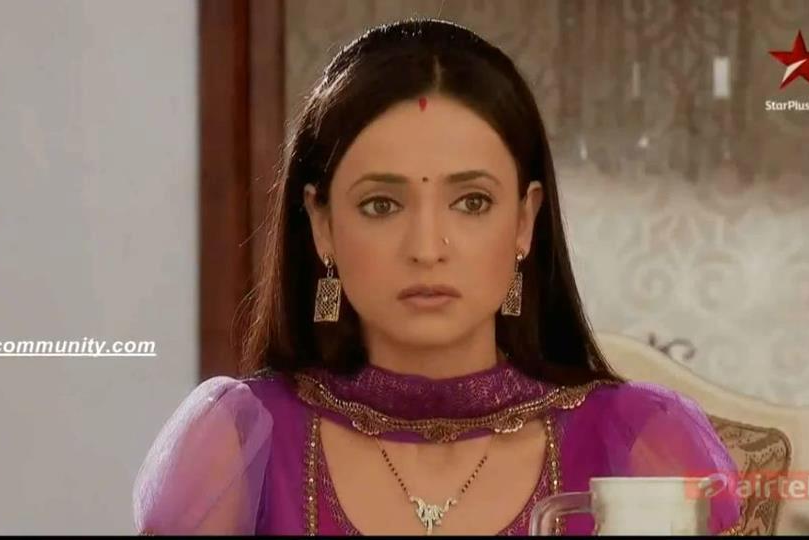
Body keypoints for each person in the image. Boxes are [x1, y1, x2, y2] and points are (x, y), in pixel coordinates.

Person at [132, 19, 742, 536]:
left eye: (472, 202)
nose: (427, 249)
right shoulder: (237, 447)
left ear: (525, 220)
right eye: (381, 205)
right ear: (321, 225)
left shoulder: (641, 447)